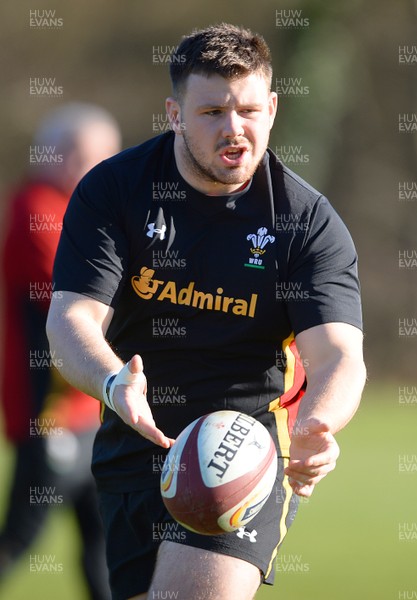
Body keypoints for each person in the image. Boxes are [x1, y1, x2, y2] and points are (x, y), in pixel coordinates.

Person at [46, 24, 366, 600]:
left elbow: (341, 354)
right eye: (212, 110)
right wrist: (113, 381)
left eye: (247, 110)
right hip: (132, 447)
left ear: (271, 108)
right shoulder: (114, 191)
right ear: (174, 113)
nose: (234, 129)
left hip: (243, 451)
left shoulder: (306, 221)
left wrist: (319, 423)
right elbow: (70, 321)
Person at [0, 102, 121, 599]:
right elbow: (85, 301)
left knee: (104, 545)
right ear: (65, 155)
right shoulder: (38, 209)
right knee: (20, 538)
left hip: (90, 409)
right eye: (98, 156)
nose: (108, 168)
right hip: (49, 416)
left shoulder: (79, 211)